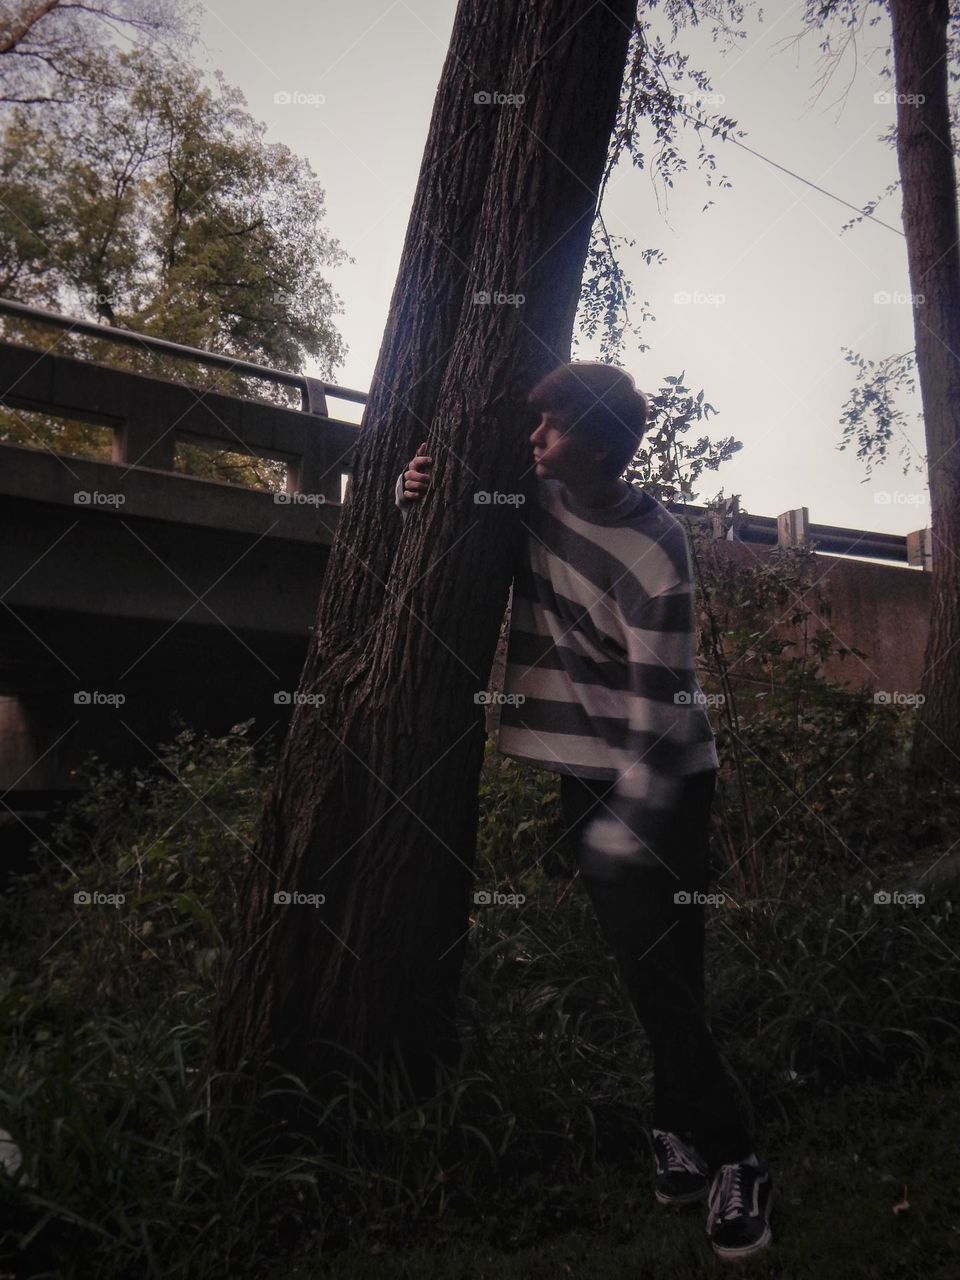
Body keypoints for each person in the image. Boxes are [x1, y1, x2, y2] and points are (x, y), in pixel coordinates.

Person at [395, 361, 772, 1262]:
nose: (532, 439)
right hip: (588, 774)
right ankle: (676, 1128)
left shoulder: (657, 544)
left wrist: (626, 818)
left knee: (660, 975)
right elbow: (452, 534)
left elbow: (663, 697)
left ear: (597, 443)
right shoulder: (532, 498)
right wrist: (417, 493)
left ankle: (736, 1154)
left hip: (663, 778)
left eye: (551, 426)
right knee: (657, 971)